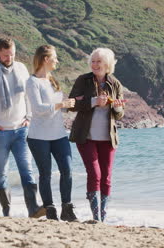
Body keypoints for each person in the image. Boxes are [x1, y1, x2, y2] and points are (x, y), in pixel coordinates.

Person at [0, 37, 45, 218]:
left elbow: (28, 94)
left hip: (21, 130)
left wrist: (29, 117)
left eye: (12, 54)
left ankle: (33, 209)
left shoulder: (21, 68)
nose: (9, 58)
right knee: (1, 173)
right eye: (5, 55)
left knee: (27, 169)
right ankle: (6, 211)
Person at [68, 48, 125, 222]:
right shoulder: (82, 80)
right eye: (93, 61)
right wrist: (93, 101)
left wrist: (116, 106)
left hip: (108, 139)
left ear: (107, 64)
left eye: (98, 61)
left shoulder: (115, 84)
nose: (95, 64)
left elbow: (120, 113)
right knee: (95, 174)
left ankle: (103, 216)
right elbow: (71, 104)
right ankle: (95, 216)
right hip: (85, 137)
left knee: (106, 176)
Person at [25, 45, 78, 221]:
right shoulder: (32, 82)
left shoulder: (52, 80)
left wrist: (69, 105)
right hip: (39, 137)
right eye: (55, 57)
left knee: (67, 170)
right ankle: (50, 211)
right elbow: (39, 109)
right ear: (46, 59)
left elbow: (55, 109)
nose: (57, 60)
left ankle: (67, 209)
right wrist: (61, 105)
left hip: (59, 134)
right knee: (45, 174)